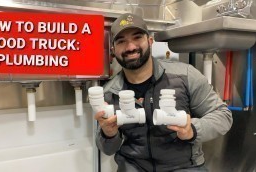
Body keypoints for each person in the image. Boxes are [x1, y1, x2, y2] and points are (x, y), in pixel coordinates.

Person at [95, 13, 232, 172]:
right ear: (113, 49)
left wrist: (192, 130)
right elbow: (107, 149)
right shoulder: (109, 92)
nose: (130, 47)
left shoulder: (185, 76)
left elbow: (223, 115)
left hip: (184, 166)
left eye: (137, 37)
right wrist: (108, 134)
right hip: (133, 166)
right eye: (121, 41)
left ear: (150, 41)